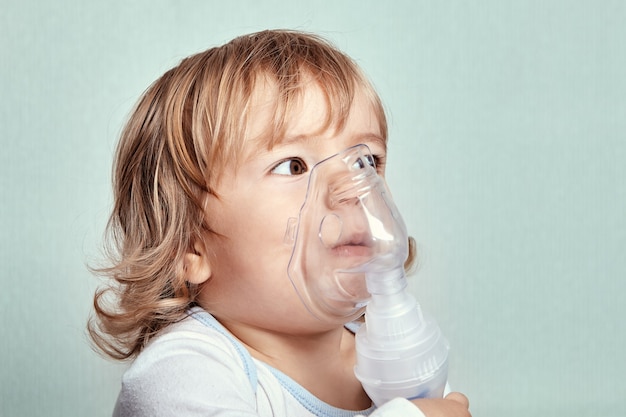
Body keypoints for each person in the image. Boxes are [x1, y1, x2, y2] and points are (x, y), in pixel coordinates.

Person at [88, 29, 471, 417]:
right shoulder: (182, 372)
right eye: (294, 166)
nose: (353, 188)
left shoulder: (393, 359)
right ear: (190, 243)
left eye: (366, 160)